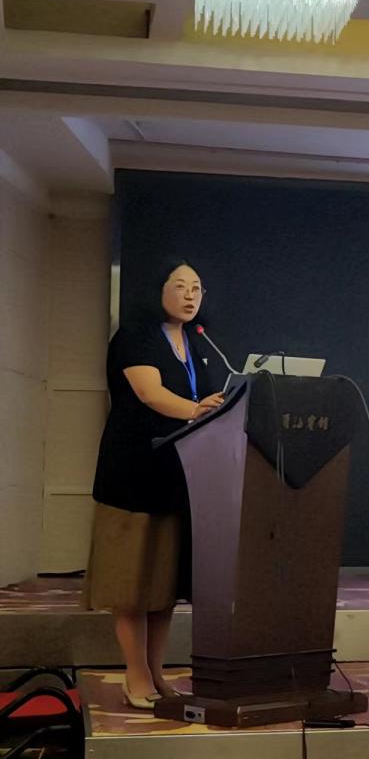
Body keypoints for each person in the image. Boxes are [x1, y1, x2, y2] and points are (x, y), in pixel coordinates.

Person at [83, 259, 224, 709]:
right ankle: (136, 674)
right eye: (180, 286)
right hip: (132, 476)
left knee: (163, 586)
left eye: (197, 288)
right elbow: (150, 393)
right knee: (131, 583)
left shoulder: (199, 343)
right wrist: (197, 410)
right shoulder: (134, 337)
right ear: (157, 291)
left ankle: (157, 673)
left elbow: (210, 398)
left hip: (177, 477)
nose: (190, 295)